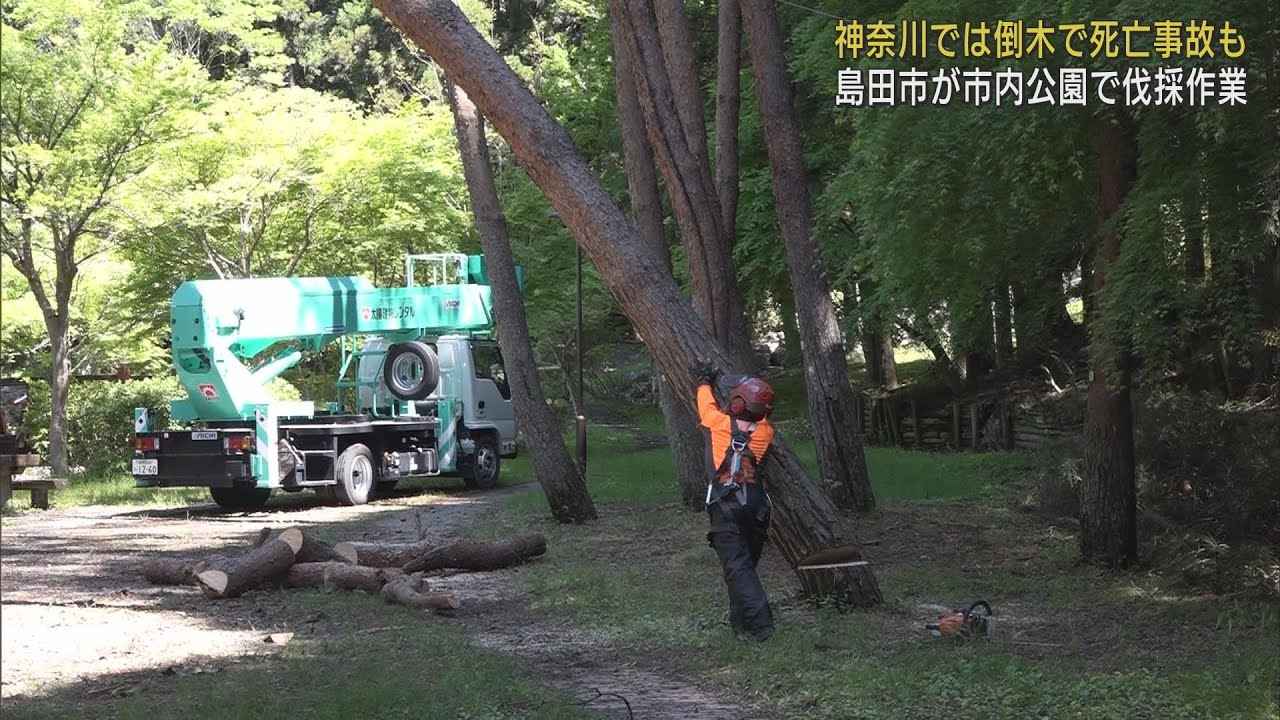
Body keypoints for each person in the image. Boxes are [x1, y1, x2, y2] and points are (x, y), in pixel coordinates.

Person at [690, 361, 776, 641]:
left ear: (738, 403)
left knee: (738, 569)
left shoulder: (718, 424)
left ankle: (762, 626)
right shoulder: (765, 432)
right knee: (744, 567)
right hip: (757, 506)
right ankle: (741, 625)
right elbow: (754, 416)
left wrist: (704, 381)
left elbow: (706, 406)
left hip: (726, 505)